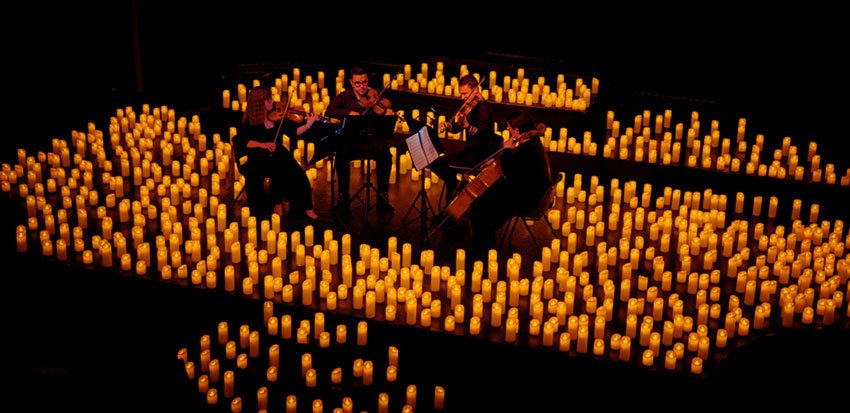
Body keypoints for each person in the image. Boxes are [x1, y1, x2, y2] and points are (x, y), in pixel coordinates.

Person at [466, 110, 553, 260]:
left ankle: (482, 249)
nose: (508, 130)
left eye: (509, 128)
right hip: (530, 192)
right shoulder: (532, 143)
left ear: (517, 130)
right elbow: (517, 167)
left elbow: (510, 171)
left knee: (478, 207)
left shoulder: (527, 150)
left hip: (528, 200)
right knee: (485, 199)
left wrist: (506, 150)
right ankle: (485, 241)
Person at [232, 86, 319, 220]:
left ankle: (308, 208)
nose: (273, 101)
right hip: (259, 157)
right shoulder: (250, 122)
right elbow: (243, 141)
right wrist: (262, 145)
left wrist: (308, 125)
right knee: (281, 172)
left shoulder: (277, 117)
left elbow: (294, 132)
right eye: (269, 99)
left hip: (278, 153)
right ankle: (277, 202)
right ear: (260, 103)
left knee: (300, 174)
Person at [325, 67, 394, 213]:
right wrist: (348, 113)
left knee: (386, 156)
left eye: (364, 82)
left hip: (371, 140)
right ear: (351, 82)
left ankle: (383, 195)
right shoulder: (344, 97)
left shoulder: (373, 95)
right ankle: (344, 195)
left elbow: (384, 108)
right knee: (341, 158)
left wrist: (386, 112)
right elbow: (330, 110)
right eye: (358, 83)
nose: (362, 87)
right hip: (351, 140)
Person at [431, 74, 501, 204]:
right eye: (461, 94)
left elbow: (481, 134)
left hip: (479, 156)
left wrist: (468, 126)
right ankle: (455, 187)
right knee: (437, 163)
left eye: (465, 94)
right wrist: (449, 126)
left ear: (476, 90)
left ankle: (455, 191)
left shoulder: (483, 109)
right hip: (470, 152)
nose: (462, 98)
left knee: (440, 164)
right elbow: (459, 127)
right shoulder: (470, 105)